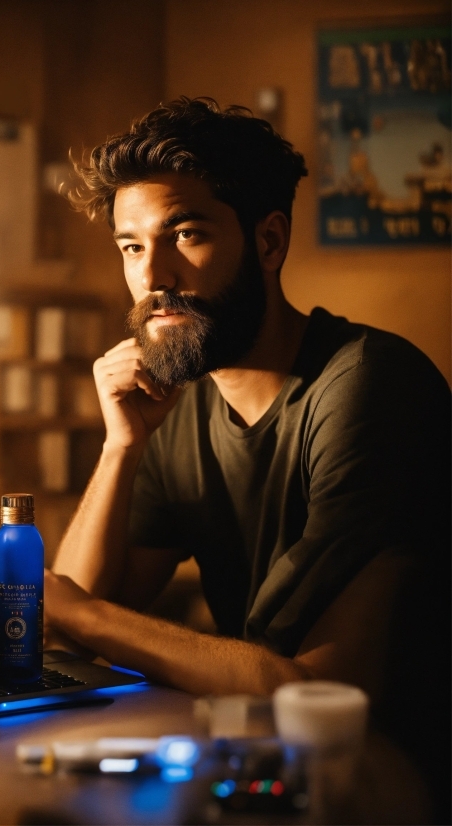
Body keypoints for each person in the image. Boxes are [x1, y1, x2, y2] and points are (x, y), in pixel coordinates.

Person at [43, 98, 450, 816]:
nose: (154, 276)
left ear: (268, 242)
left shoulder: (370, 387)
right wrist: (121, 447)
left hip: (392, 785)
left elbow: (322, 692)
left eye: (186, 234)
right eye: (132, 247)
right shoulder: (179, 399)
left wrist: (85, 616)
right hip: (268, 772)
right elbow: (70, 612)